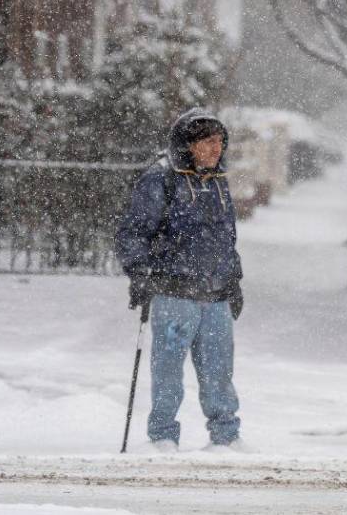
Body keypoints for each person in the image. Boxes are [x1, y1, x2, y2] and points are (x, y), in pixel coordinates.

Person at [117, 108, 244, 452]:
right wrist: (140, 273)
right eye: (208, 142)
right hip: (174, 293)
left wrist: (234, 277)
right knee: (169, 372)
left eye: (219, 141)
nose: (216, 148)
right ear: (189, 145)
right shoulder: (161, 179)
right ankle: (162, 435)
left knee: (219, 373)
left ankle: (226, 437)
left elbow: (226, 235)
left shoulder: (218, 181)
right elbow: (134, 232)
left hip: (215, 294)